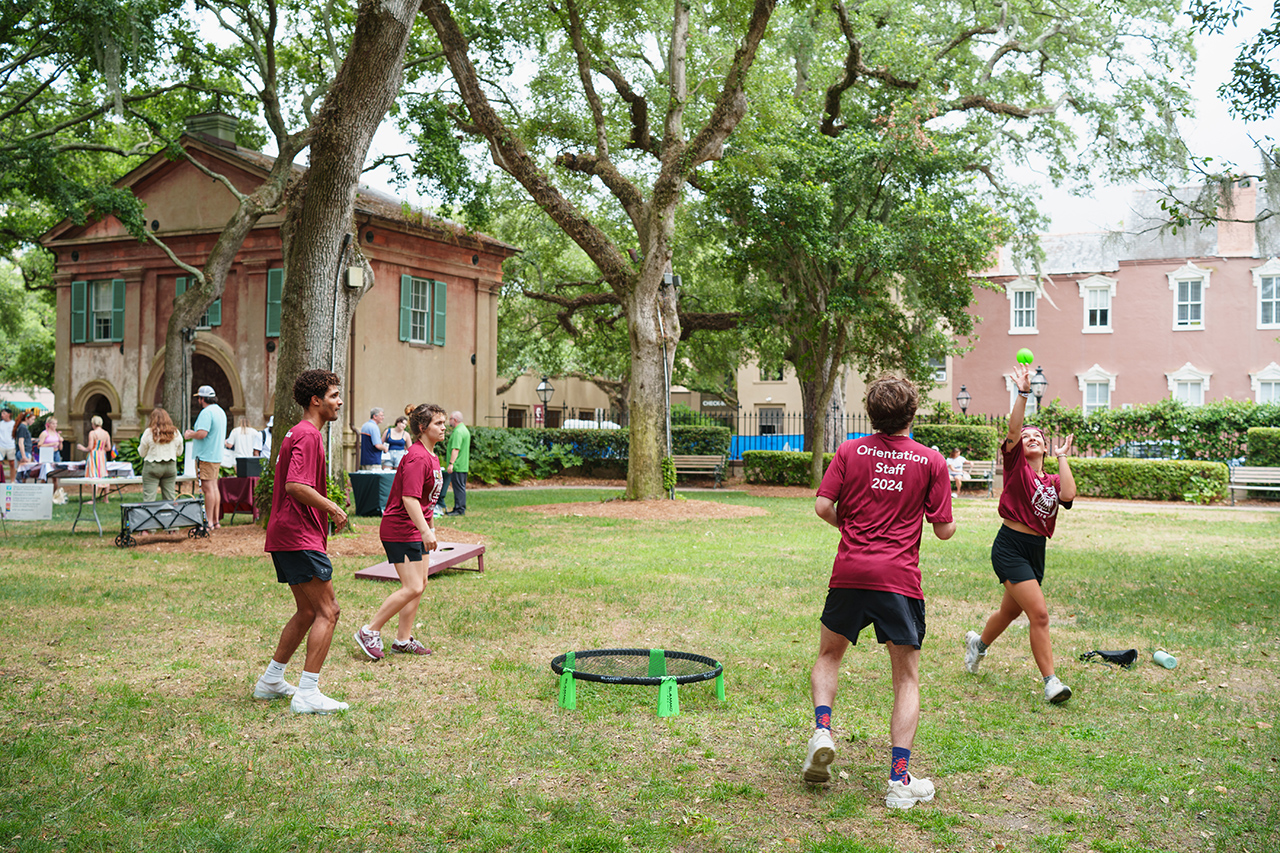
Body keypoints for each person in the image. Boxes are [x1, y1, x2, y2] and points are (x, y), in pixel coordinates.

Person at [803, 376, 955, 810]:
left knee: (829, 654)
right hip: (898, 580)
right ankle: (898, 781)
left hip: (849, 571)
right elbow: (943, 530)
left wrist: (849, 528)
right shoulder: (931, 461)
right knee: (906, 679)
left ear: (870, 413)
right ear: (912, 413)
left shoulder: (849, 451)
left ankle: (822, 730)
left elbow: (822, 506)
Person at [963, 363, 1077, 704]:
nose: (1030, 439)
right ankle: (1051, 683)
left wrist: (1062, 459)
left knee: (1009, 613)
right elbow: (1013, 429)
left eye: (1037, 437)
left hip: (1035, 549)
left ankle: (977, 645)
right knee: (1039, 614)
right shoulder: (1015, 467)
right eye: (1026, 436)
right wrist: (1023, 394)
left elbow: (1068, 496)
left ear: (1044, 447)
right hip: (1009, 546)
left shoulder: (1051, 480)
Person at [254, 369, 350, 714]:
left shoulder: (297, 433)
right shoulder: (308, 435)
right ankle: (308, 692)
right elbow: (296, 485)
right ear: (316, 400)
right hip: (297, 535)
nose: (340, 402)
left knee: (309, 610)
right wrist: (334, 508)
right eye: (335, 395)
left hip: (286, 534)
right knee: (329, 610)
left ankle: (271, 680)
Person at [353, 403, 447, 661]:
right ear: (422, 427)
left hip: (417, 528)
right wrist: (425, 531)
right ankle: (369, 630)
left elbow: (428, 500)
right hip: (400, 529)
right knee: (413, 586)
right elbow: (410, 499)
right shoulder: (417, 456)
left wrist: (431, 529)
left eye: (443, 423)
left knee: (421, 584)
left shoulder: (431, 455)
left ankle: (402, 640)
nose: (443, 427)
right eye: (438, 423)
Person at [184, 385, 227, 529]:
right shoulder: (220, 411)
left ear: (202, 399)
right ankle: (215, 521)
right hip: (216, 454)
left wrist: (190, 434)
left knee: (208, 489)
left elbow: (202, 433)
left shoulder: (206, 412)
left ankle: (208, 521)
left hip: (206, 455)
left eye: (199, 398)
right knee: (214, 487)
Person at [139, 407, 184, 501]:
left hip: (152, 466)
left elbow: (142, 453)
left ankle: (150, 515)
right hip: (170, 466)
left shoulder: (148, 432)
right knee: (170, 498)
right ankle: (170, 515)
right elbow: (179, 452)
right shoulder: (176, 433)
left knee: (149, 499)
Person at [436, 410, 470, 516]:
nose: (448, 421)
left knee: (458, 488)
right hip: (463, 465)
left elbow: (456, 449)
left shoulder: (458, 432)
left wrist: (451, 463)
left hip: (458, 465)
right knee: (460, 487)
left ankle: (459, 509)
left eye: (450, 419)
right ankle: (459, 507)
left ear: (454, 420)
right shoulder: (464, 429)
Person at [77, 415, 112, 501]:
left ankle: (93, 499)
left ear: (93, 424)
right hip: (102, 455)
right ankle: (106, 498)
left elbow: (90, 447)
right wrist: (101, 449)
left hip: (94, 455)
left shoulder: (92, 433)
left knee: (94, 475)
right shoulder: (106, 433)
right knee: (103, 474)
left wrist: (82, 448)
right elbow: (109, 448)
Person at [0, 408, 15, 483]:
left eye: (4, 413)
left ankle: (12, 480)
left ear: (9, 414)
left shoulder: (13, 423)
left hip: (11, 445)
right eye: (2, 413)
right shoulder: (1, 423)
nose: (2, 415)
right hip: (1, 445)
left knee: (12, 463)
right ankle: (1, 480)